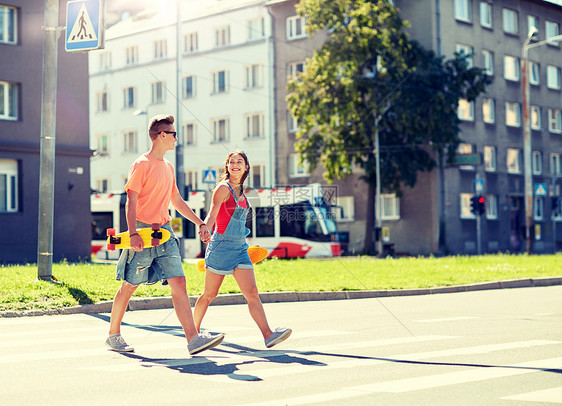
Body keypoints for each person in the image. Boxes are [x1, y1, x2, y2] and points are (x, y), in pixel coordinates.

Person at [105, 114, 224, 355]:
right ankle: (113, 334)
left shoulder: (168, 166)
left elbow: (176, 200)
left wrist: (200, 222)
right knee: (130, 285)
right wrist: (133, 233)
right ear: (161, 136)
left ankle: (193, 339)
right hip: (143, 232)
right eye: (173, 134)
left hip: (165, 233)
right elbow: (131, 201)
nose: (176, 139)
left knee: (179, 281)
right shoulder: (142, 164)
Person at [193, 151, 292, 348]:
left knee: (252, 293)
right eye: (231, 162)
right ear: (227, 166)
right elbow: (212, 213)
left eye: (240, 162)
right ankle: (193, 334)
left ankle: (268, 335)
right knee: (209, 295)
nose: (235, 165)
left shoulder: (242, 193)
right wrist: (205, 228)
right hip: (221, 246)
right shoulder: (223, 188)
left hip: (240, 248)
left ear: (246, 167)